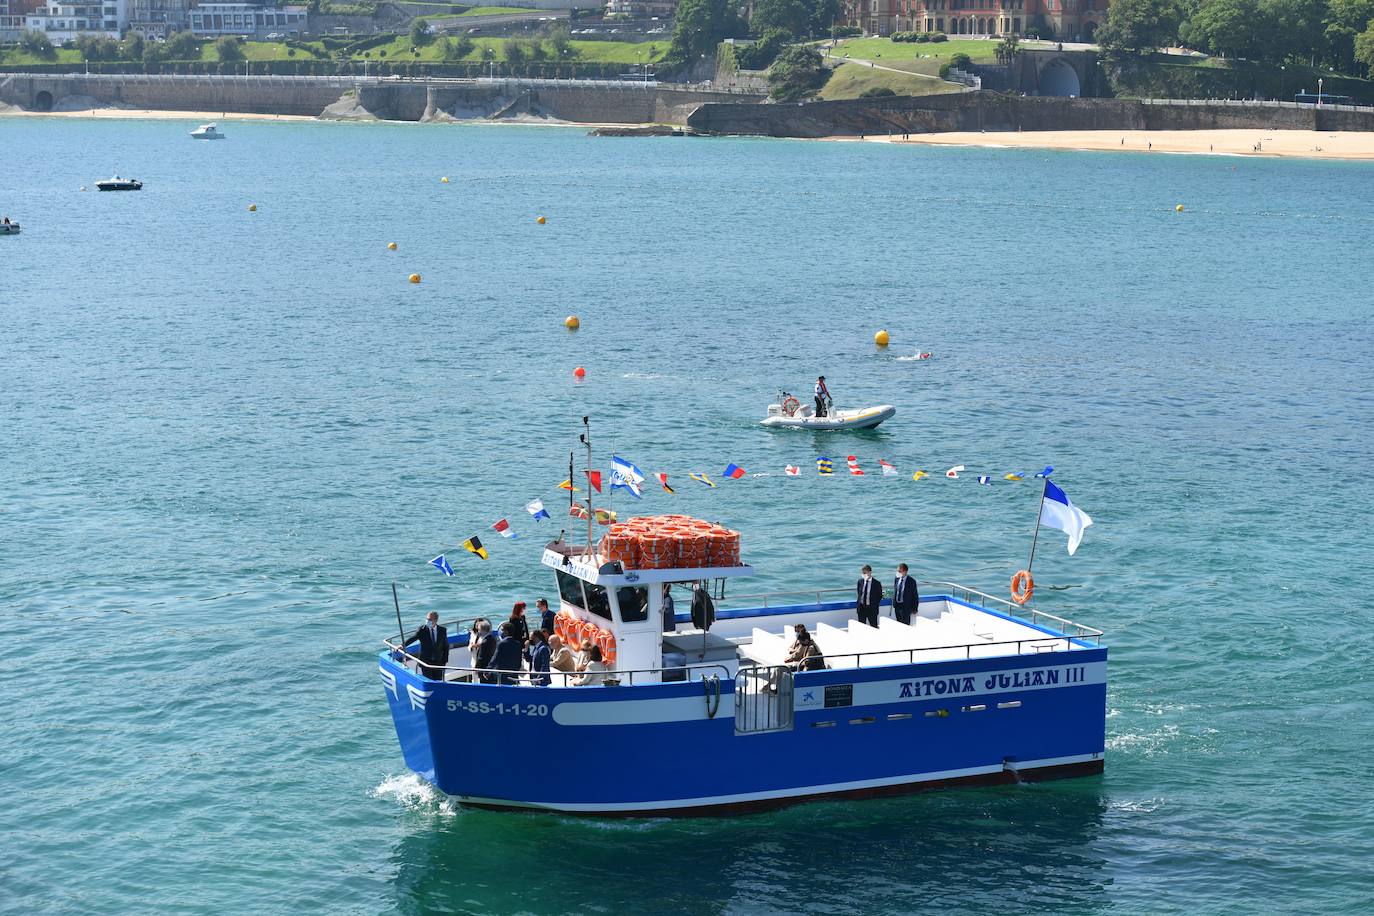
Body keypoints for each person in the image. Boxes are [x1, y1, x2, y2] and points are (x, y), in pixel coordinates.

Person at [407, 611, 449, 681]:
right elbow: (413, 638)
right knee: (429, 681)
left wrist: (444, 661)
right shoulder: (422, 630)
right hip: (426, 662)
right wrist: (402, 645)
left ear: (435, 620)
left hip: (438, 663)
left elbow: (445, 646)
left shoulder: (442, 630)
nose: (427, 621)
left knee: (438, 681)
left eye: (429, 619)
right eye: (427, 619)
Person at [473, 619, 498, 684]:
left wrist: (476, 668)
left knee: (484, 683)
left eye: (479, 630)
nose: (478, 632)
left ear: (483, 630)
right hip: (491, 668)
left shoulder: (484, 642)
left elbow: (481, 657)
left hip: (484, 668)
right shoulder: (493, 639)